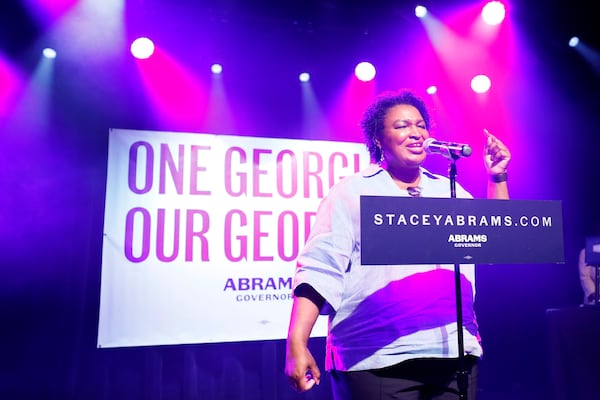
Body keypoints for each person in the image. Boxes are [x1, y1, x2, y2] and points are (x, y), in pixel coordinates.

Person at [284, 90, 511, 399]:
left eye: (421, 125)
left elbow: (497, 241)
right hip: (375, 358)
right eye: (403, 126)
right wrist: (297, 343)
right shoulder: (352, 192)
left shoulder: (448, 190)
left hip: (452, 353)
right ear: (378, 138)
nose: (416, 133)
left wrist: (497, 178)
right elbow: (319, 269)